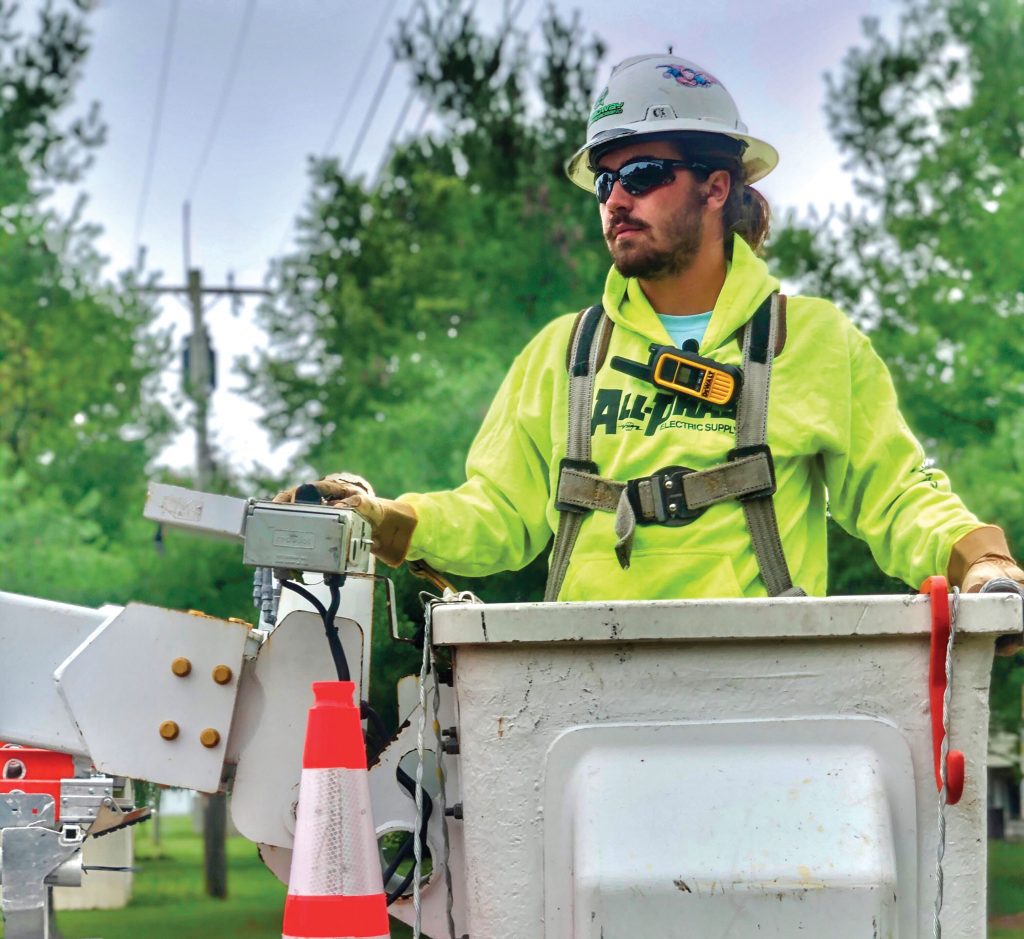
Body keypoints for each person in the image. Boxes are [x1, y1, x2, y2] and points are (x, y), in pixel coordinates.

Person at [277, 54, 1023, 603]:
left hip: (766, 699)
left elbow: (897, 493)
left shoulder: (812, 342)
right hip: (585, 702)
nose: (615, 200)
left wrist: (982, 561)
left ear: (716, 185)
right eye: (606, 181)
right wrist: (387, 519)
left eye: (642, 176)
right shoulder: (564, 356)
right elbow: (497, 513)